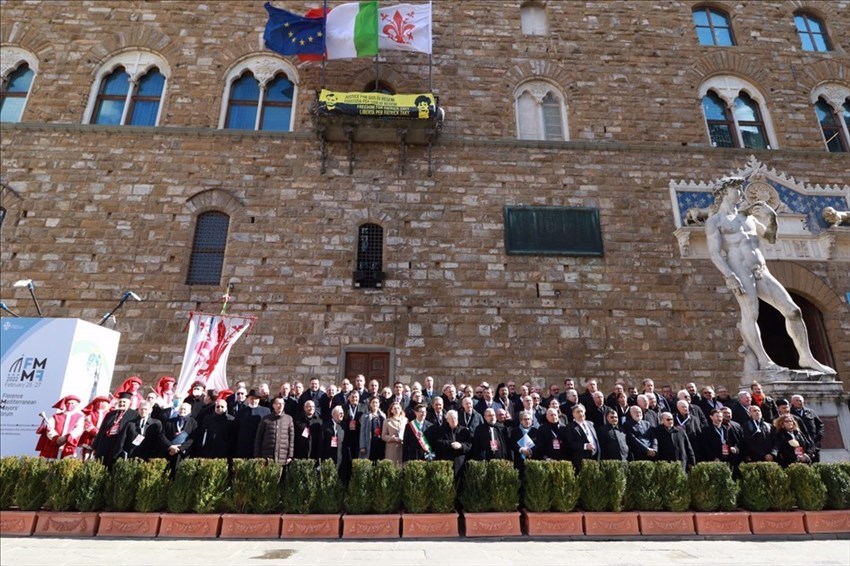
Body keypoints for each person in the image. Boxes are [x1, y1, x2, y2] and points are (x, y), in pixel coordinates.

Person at [705, 176, 835, 374]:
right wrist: (729, 276)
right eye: (736, 189)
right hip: (740, 269)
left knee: (793, 311)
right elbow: (715, 253)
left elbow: (770, 238)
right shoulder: (715, 221)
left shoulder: (748, 218)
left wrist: (772, 218)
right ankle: (763, 360)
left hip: (761, 269)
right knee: (751, 314)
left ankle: (806, 357)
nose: (740, 193)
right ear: (724, 192)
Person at [92, 392, 139, 467]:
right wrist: (95, 446)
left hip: (120, 444)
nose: (122, 404)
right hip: (106, 442)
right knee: (101, 464)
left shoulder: (135, 415)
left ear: (129, 403)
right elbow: (101, 430)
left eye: (124, 402)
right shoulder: (110, 414)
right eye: (120, 402)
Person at [36, 395, 85, 459]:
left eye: (72, 403)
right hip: (54, 444)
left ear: (76, 405)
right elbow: (49, 428)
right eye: (68, 403)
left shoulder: (79, 417)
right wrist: (56, 438)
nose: (70, 405)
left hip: (68, 444)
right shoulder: (56, 416)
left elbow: (78, 429)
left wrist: (67, 437)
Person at [431, 409, 472, 477]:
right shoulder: (441, 430)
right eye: (451, 418)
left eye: (455, 418)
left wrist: (461, 446)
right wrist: (450, 444)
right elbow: (438, 443)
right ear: (447, 420)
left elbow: (469, 445)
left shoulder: (464, 430)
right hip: (446, 461)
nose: (454, 420)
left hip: (460, 462)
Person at [254, 397, 294, 464]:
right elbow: (259, 438)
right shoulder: (265, 419)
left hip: (282, 457)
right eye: (278, 403)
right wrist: (257, 455)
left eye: (282, 404)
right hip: (267, 457)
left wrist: (290, 455)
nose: (280, 406)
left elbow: (291, 439)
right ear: (273, 405)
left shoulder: (288, 419)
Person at [162, 402, 198, 473]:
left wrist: (180, 448)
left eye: (185, 409)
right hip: (170, 452)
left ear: (189, 411)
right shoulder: (170, 422)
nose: (182, 411)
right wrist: (170, 446)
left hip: (183, 453)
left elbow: (192, 438)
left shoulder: (193, 423)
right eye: (181, 409)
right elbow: (163, 435)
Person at [790, 395, 824, 461]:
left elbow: (820, 424)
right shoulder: (790, 413)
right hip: (799, 442)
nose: (799, 402)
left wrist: (819, 434)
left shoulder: (810, 412)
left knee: (815, 460)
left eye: (800, 401)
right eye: (797, 401)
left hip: (813, 441)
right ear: (792, 402)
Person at [567, 404, 600, 472]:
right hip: (581, 460)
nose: (580, 414)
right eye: (578, 412)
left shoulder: (591, 424)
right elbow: (570, 443)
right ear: (573, 414)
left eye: (582, 411)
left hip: (595, 458)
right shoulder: (570, 427)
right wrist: (585, 446)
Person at [323, 406, 351, 482]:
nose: (342, 415)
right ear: (334, 414)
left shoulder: (344, 426)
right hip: (329, 456)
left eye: (343, 413)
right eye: (340, 413)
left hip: (341, 456)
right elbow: (322, 442)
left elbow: (347, 441)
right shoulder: (326, 425)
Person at [78, 395, 110, 460]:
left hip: (102, 438)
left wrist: (102, 433)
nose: (101, 403)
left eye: (103, 402)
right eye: (99, 402)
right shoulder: (90, 413)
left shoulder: (109, 414)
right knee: (86, 453)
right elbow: (87, 424)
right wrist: (96, 431)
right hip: (89, 437)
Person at [359, 396, 386, 461]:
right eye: (373, 402)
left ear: (379, 404)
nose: (375, 404)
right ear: (370, 404)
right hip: (370, 442)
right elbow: (362, 432)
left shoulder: (383, 416)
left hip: (380, 442)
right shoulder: (365, 416)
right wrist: (362, 446)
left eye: (376, 402)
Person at [382, 401, 407, 466]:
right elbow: (383, 436)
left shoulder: (405, 420)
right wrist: (392, 438)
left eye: (398, 408)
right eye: (395, 408)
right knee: (392, 466)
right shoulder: (387, 421)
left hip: (402, 447)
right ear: (391, 410)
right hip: (392, 448)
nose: (397, 410)